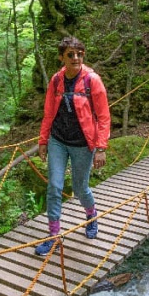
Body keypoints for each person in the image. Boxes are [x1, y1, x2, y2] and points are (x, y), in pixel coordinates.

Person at [36, 36, 111, 255]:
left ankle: (91, 216)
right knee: (54, 187)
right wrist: (43, 141)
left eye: (80, 53)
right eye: (71, 54)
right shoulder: (56, 81)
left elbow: (104, 117)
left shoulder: (92, 80)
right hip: (58, 141)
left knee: (80, 188)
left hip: (82, 144)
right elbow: (49, 112)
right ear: (62, 57)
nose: (76, 58)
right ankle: (53, 235)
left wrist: (101, 148)